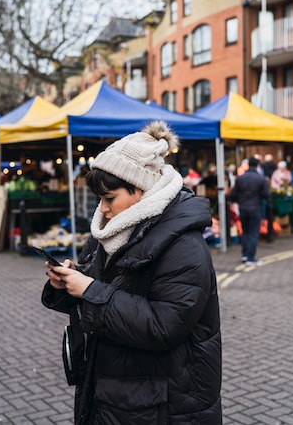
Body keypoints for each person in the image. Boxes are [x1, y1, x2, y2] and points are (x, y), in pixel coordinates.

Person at [41, 121, 222, 424]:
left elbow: (163, 326)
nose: (103, 209)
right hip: (124, 393)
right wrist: (71, 280)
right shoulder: (119, 230)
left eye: (109, 199)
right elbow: (114, 282)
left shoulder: (184, 247)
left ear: (138, 190)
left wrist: (89, 289)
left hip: (165, 404)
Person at [229, 156, 270, 265]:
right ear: (257, 165)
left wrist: (240, 200)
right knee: (253, 233)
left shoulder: (240, 178)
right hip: (255, 208)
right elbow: (267, 195)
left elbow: (233, 195)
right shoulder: (261, 179)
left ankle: (245, 255)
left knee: (245, 232)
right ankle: (251, 258)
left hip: (243, 208)